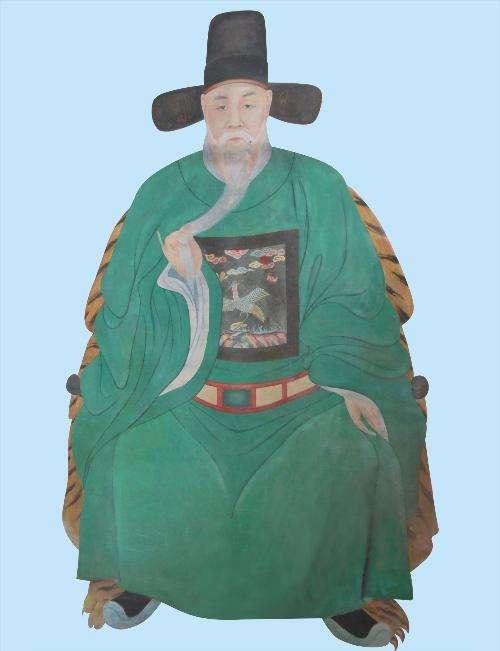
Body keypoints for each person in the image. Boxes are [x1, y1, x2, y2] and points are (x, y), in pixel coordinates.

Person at [65, 10, 433, 647]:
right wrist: (177, 284)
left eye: (248, 103)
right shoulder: (162, 193)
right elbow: (123, 312)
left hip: (302, 397)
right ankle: (137, 573)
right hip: (187, 396)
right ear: (202, 110)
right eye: (220, 104)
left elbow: (352, 299)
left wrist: (348, 383)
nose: (234, 118)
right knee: (129, 448)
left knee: (354, 449)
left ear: (269, 107)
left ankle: (347, 591)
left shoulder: (317, 186)